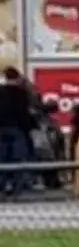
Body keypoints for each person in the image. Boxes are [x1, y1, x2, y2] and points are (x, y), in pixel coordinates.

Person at [0, 66, 34, 197]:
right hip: (17, 129)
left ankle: (2, 185)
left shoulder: (1, 92)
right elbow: (24, 113)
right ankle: (18, 185)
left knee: (2, 157)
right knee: (19, 157)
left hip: (1, 129)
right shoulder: (21, 92)